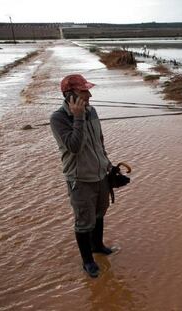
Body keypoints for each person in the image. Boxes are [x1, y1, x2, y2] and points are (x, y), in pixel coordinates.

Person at [50, 74, 114, 278]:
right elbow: (74, 147)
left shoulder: (92, 110)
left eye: (88, 90)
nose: (89, 95)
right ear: (69, 94)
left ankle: (98, 246)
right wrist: (78, 117)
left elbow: (99, 140)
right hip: (80, 179)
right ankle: (87, 261)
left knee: (100, 212)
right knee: (84, 221)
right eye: (84, 91)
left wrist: (107, 163)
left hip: (100, 173)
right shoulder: (58, 118)